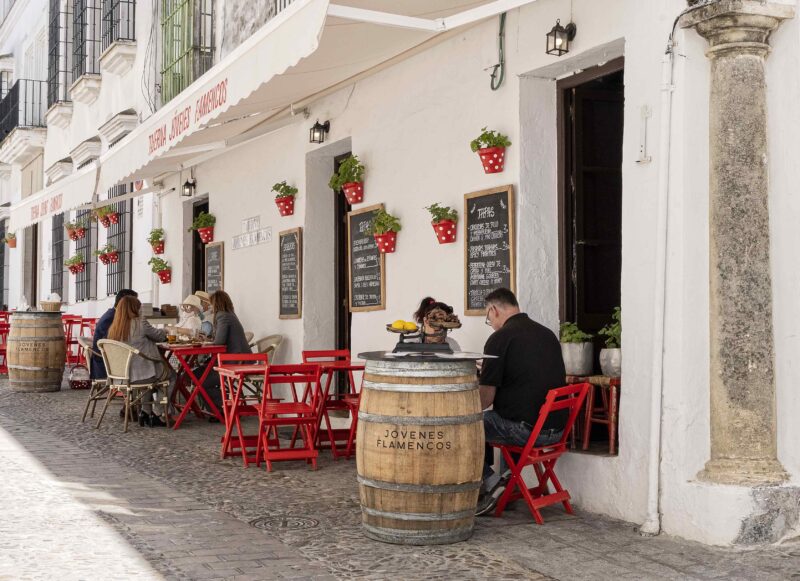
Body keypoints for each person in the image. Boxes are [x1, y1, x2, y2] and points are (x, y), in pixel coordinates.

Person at [475, 287, 567, 516]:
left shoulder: (499, 338)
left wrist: (459, 408)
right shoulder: (546, 334)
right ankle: (509, 484)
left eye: (488, 317)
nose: (491, 323)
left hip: (527, 431)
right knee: (509, 412)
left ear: (494, 310)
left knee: (465, 427)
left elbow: (486, 399)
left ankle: (492, 482)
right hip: (556, 430)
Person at [106, 296, 171, 427]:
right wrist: (167, 330)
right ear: (134, 308)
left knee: (149, 375)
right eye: (139, 306)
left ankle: (145, 413)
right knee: (171, 377)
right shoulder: (140, 323)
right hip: (140, 375)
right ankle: (158, 413)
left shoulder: (115, 326)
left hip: (121, 376)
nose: (141, 309)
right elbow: (160, 336)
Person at [200, 290, 251, 417]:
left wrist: (208, 342)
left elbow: (219, 342)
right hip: (237, 359)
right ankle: (219, 409)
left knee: (200, 380)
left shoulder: (222, 316)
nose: (210, 306)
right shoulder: (229, 314)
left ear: (216, 303)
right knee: (197, 375)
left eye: (211, 304)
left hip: (236, 362)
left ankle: (221, 410)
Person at [91, 288, 138, 380]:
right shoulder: (111, 318)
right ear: (125, 303)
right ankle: (142, 386)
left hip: (106, 359)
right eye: (134, 304)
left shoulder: (113, 314)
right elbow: (110, 346)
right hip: (105, 364)